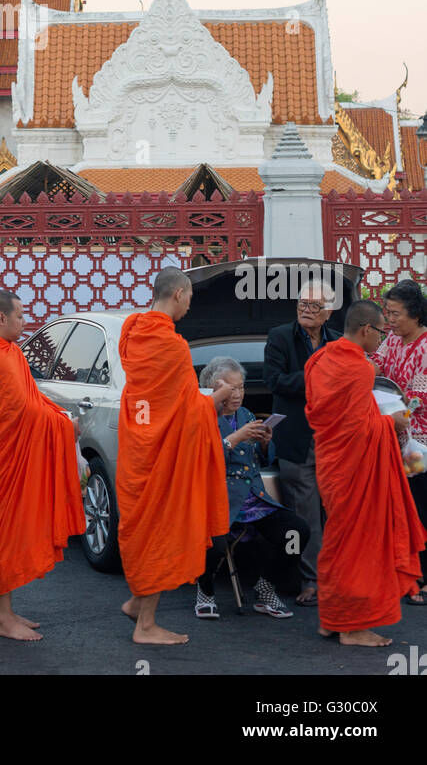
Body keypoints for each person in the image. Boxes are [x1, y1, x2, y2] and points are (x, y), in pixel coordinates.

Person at [117, 267, 231, 645]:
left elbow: (162, 400)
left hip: (138, 448)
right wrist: (217, 398)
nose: (189, 308)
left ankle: (136, 601)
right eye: (190, 299)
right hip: (161, 454)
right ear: (180, 293)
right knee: (159, 529)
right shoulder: (173, 345)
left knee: (142, 525)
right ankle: (145, 626)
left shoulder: (132, 333)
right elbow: (187, 412)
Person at [305, 299, 425, 647]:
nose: (383, 341)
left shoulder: (320, 359)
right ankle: (353, 627)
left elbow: (333, 417)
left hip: (331, 466)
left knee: (337, 541)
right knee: (358, 543)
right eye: (381, 333)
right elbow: (361, 429)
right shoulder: (360, 369)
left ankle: (331, 618)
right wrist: (392, 422)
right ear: (366, 330)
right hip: (355, 469)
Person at [0, 290, 85, 641]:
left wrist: (59, 416)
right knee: (1, 535)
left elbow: (33, 398)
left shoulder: (9, 351)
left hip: (11, 454)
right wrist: (65, 426)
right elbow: (20, 409)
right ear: (1, 318)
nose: (25, 321)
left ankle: (8, 610)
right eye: (19, 315)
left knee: (12, 533)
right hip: (3, 459)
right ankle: (2, 618)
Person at [195, 357, 310, 620]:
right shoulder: (202, 417)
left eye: (242, 387)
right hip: (219, 499)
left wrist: (266, 443)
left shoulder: (245, 415)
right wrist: (235, 438)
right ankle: (205, 590)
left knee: (296, 533)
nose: (238, 395)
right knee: (213, 540)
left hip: (254, 500)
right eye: (232, 388)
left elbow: (258, 459)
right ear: (215, 389)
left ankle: (266, 587)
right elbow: (202, 462)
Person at [263, 279, 342, 605]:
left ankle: (339, 577)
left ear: (329, 312)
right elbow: (275, 381)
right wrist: (319, 376)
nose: (307, 311)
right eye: (302, 305)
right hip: (296, 439)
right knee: (305, 515)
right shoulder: (280, 336)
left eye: (314, 306)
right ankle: (309, 581)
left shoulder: (337, 342)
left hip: (333, 440)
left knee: (338, 513)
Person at [372, 279, 427, 602]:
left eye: (395, 314)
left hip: (417, 442)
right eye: (387, 313)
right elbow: (376, 367)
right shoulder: (391, 340)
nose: (389, 320)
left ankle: (420, 577)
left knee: (419, 507)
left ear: (416, 314)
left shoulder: (425, 347)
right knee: (396, 507)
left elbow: (420, 399)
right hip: (390, 434)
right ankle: (402, 573)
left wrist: (398, 416)